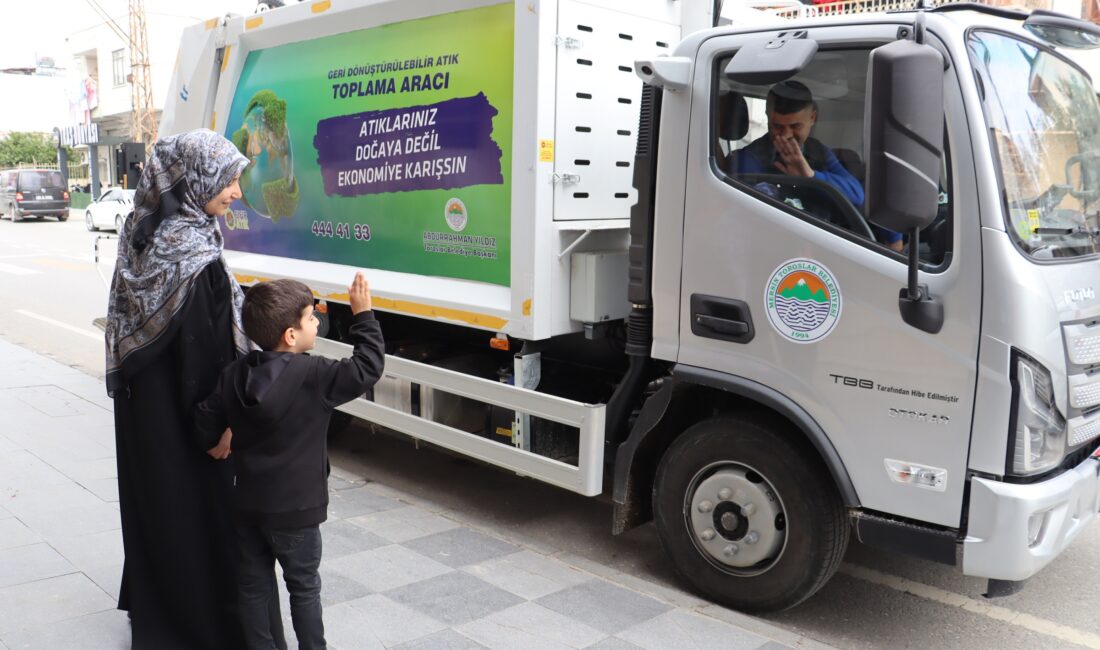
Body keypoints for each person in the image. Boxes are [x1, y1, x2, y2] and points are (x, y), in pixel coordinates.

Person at [105, 129, 285, 649]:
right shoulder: (197, 262)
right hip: (188, 419)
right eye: (228, 179)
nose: (235, 190)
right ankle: (201, 622)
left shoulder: (143, 237)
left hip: (144, 414)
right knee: (197, 517)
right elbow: (204, 359)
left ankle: (154, 603)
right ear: (192, 179)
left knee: (156, 508)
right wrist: (220, 425)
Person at [194, 274, 385, 650]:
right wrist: (363, 315)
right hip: (298, 510)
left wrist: (218, 439)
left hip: (247, 505)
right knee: (303, 589)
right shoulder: (314, 376)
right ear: (291, 335)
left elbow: (205, 416)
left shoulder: (235, 374)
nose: (316, 322)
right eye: (311, 318)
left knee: (253, 586)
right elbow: (367, 367)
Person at [732, 80, 903, 251]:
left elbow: (856, 195)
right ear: (768, 118)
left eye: (795, 126)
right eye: (777, 127)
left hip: (825, 247)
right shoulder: (750, 158)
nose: (786, 135)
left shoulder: (819, 152)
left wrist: (809, 175)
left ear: (812, 118)